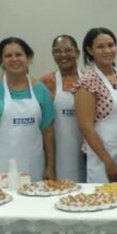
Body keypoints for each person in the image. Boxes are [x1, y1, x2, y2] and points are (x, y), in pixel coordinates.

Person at [0, 37, 56, 183]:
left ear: (28, 58)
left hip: (34, 166)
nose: (14, 59)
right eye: (8, 56)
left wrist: (50, 166)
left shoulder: (40, 90)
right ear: (1, 61)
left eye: (19, 54)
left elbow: (48, 132)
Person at [76, 27, 117, 183]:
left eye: (111, 45)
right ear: (90, 50)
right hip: (102, 157)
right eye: (100, 46)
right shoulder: (87, 82)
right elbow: (86, 127)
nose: (107, 50)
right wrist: (108, 162)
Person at [39, 34, 85, 182]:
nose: (63, 55)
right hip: (57, 155)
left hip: (86, 152)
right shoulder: (46, 82)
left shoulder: (89, 79)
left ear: (77, 53)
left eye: (68, 50)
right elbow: (41, 125)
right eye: (57, 51)